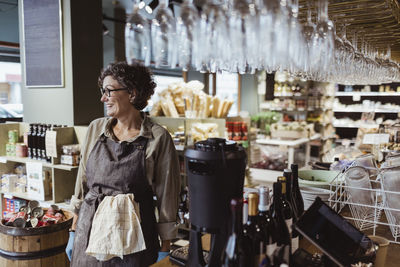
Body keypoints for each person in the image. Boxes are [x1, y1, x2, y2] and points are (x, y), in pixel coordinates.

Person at [66, 61, 181, 266]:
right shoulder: (95, 129)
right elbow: (82, 185)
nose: (103, 98)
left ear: (132, 93)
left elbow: (167, 201)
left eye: (109, 91)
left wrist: (165, 248)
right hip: (90, 233)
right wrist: (74, 231)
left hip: (134, 241)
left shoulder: (157, 138)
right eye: (103, 91)